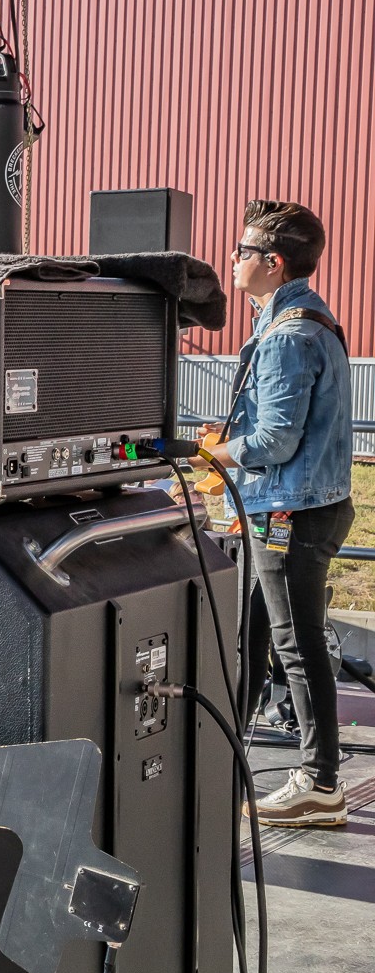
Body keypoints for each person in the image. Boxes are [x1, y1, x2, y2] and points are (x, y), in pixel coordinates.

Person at [206, 200, 354, 827]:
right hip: (289, 506)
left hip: (289, 512)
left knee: (296, 644)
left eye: (241, 251)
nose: (231, 260)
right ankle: (225, 759)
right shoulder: (300, 321)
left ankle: (319, 781)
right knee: (249, 638)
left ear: (273, 262)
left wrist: (213, 453)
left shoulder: (289, 335)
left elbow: (275, 442)